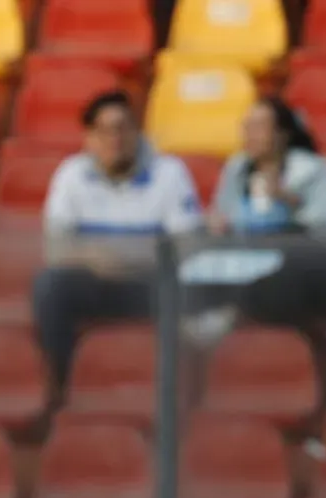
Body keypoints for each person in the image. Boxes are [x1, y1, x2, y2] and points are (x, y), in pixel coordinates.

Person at [32, 89, 203, 398]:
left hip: (151, 285)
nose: (115, 138)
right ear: (89, 139)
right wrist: (93, 259)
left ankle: (182, 399)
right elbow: (55, 249)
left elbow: (187, 245)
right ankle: (63, 388)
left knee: (194, 292)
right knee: (50, 286)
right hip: (97, 283)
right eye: (104, 131)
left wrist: (123, 259)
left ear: (137, 132)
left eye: (123, 128)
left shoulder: (169, 173)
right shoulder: (71, 176)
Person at [197, 96, 326, 346]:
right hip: (245, 262)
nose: (250, 135)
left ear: (282, 134)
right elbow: (222, 214)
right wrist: (216, 224)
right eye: (246, 127)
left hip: (303, 270)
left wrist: (293, 204)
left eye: (259, 127)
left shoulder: (311, 170)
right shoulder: (236, 169)